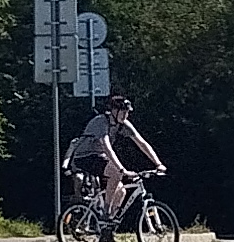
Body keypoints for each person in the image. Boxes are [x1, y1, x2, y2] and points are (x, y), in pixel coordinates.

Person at [68, 92, 163, 223]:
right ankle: (106, 213)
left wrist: (158, 163)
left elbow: (142, 143)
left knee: (121, 192)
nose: (126, 115)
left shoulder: (123, 124)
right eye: (123, 112)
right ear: (113, 111)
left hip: (100, 157)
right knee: (115, 172)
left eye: (127, 112)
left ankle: (107, 226)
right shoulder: (100, 122)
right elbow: (107, 148)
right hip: (84, 157)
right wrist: (122, 169)